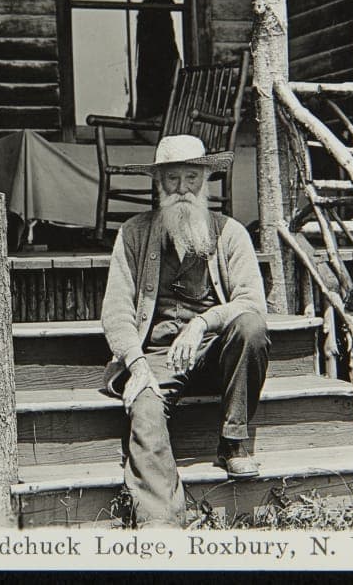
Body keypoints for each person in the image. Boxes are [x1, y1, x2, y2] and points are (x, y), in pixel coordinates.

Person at [99, 134, 270, 527]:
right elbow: (116, 311)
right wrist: (136, 364)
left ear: (206, 179)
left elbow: (252, 303)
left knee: (251, 327)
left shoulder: (230, 233)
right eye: (172, 179)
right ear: (158, 184)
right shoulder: (134, 233)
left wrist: (202, 322)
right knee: (143, 407)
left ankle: (233, 441)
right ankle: (162, 525)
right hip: (156, 356)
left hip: (214, 354)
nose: (182, 189)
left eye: (191, 177)